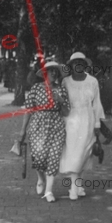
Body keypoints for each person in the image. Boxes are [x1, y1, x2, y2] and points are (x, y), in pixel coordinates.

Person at [18, 61, 70, 203]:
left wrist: (60, 101)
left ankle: (49, 190)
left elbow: (66, 112)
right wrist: (22, 130)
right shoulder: (36, 88)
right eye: (50, 71)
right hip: (38, 125)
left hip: (56, 125)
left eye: (55, 71)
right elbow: (28, 110)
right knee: (39, 156)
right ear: (45, 74)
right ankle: (41, 179)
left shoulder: (61, 90)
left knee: (53, 157)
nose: (53, 73)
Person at [60, 52, 106, 200]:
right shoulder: (65, 82)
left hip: (88, 119)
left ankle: (78, 185)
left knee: (84, 152)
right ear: (71, 66)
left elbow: (97, 103)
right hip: (71, 120)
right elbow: (62, 103)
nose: (78, 65)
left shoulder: (92, 81)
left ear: (85, 65)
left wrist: (98, 123)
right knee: (74, 152)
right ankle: (74, 187)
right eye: (75, 63)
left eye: (81, 63)